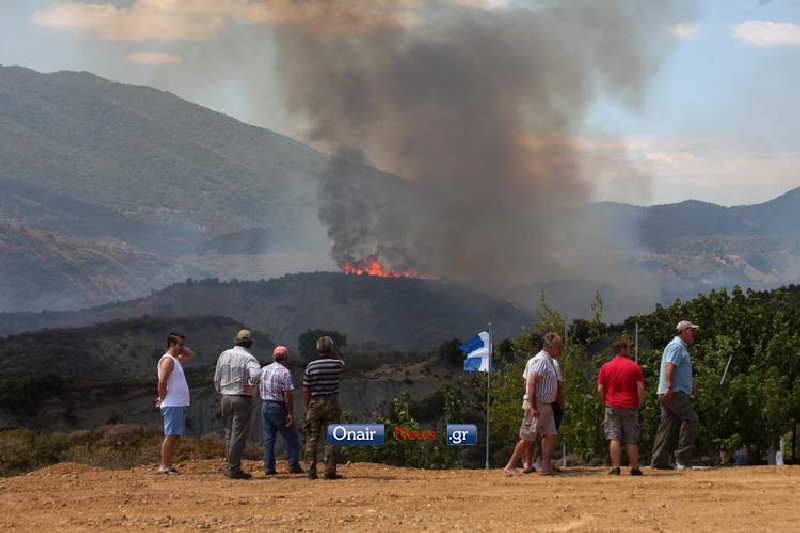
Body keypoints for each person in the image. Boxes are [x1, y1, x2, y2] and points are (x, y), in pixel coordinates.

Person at [504, 332, 562, 476]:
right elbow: (530, 382)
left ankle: (546, 466)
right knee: (527, 437)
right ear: (551, 346)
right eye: (558, 346)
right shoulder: (541, 360)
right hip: (538, 404)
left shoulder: (549, 361)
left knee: (550, 435)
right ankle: (510, 465)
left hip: (546, 405)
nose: (560, 349)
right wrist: (533, 405)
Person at [650, 320, 700, 470]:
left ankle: (659, 460)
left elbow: (680, 371)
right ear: (684, 331)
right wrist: (670, 386)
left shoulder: (679, 347)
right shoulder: (676, 346)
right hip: (674, 392)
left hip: (670, 391)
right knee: (691, 419)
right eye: (692, 330)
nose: (694, 333)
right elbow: (669, 367)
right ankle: (683, 460)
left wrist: (692, 387)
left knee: (666, 425)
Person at [214, 329, 262, 479]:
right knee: (238, 435)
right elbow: (257, 374)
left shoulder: (224, 354)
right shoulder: (249, 358)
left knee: (228, 432)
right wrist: (250, 385)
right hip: (241, 398)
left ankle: (229, 464)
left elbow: (217, 377)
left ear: (236, 340)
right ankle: (233, 468)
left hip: (225, 396)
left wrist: (221, 391)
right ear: (250, 342)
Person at [597, 339, 645, 475]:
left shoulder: (605, 367)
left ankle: (615, 467)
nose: (630, 351)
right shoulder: (634, 366)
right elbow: (640, 388)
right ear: (623, 350)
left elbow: (600, 389)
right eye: (628, 348)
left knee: (614, 437)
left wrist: (604, 402)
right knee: (631, 438)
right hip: (630, 406)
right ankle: (634, 468)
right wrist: (639, 403)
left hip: (612, 406)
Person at [302, 336, 345, 480]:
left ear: (317, 349)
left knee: (311, 438)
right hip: (331, 403)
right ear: (330, 348)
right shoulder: (336, 365)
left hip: (314, 404)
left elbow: (306, 388)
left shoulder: (311, 366)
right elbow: (342, 363)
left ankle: (310, 471)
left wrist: (307, 406)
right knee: (332, 438)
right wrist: (333, 352)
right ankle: (329, 471)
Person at [260, 345, 303, 475]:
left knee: (268, 439)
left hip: (265, 405)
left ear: (273, 357)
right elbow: (288, 393)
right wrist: (289, 412)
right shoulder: (285, 372)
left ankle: (269, 468)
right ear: (286, 358)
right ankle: (293, 465)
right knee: (291, 438)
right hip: (278, 407)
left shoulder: (264, 369)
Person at [156, 332, 194, 475]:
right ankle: (164, 466)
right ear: (171, 345)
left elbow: (190, 354)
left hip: (178, 403)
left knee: (174, 435)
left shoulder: (174, 359)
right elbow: (161, 381)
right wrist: (162, 398)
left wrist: (182, 347)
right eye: (180, 345)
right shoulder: (168, 361)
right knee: (170, 435)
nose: (183, 348)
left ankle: (168, 465)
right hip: (172, 403)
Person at [523, 347, 565, 473]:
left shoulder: (530, 361)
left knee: (531, 434)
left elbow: (525, 382)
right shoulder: (553, 363)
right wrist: (559, 402)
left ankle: (529, 463)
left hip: (531, 400)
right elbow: (557, 385)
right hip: (545, 402)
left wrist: (528, 398)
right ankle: (543, 463)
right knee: (545, 435)